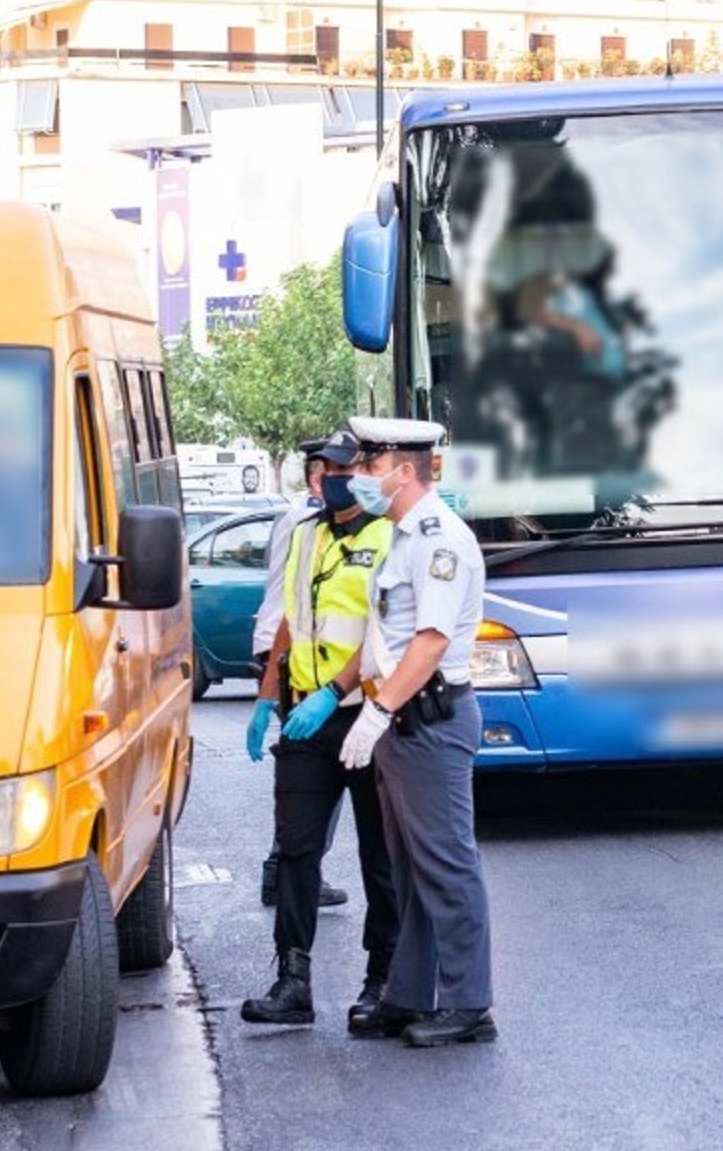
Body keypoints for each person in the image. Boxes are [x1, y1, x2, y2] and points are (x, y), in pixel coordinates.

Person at [338, 416, 498, 1049]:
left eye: (369, 467)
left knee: (447, 865)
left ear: (403, 471)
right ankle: (409, 995)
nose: (358, 478)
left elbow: (429, 642)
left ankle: (468, 1005)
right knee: (408, 870)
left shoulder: (437, 540)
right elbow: (390, 638)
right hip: (404, 722)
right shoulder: (400, 537)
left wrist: (375, 713)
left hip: (428, 719)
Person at [240, 431, 401, 1029]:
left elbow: (387, 635)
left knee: (378, 856)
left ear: (364, 472)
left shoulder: (390, 538)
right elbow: (289, 620)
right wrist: (266, 698)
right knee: (297, 851)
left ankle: (380, 979)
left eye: (341, 467)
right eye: (323, 468)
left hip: (366, 716)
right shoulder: (306, 534)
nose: (329, 477)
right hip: (305, 715)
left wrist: (337, 691)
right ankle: (293, 980)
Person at [250, 441, 347, 910]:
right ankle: (283, 869)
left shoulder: (304, 519)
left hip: (290, 650)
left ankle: (290, 868)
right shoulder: (305, 523)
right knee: (314, 780)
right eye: (340, 472)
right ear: (316, 481)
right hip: (290, 654)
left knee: (308, 780)